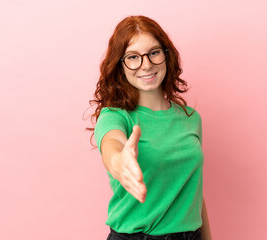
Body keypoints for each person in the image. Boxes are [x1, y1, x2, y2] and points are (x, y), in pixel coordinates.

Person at [87, 15, 212, 240]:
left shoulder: (191, 118)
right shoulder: (114, 115)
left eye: (154, 52)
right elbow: (112, 145)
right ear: (120, 65)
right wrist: (119, 162)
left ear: (166, 55)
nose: (146, 65)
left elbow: (193, 189)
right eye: (133, 57)